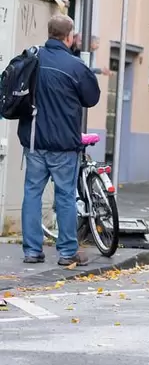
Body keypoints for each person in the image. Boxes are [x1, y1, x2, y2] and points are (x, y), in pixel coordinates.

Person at [19, 14, 100, 267]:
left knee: (32, 193)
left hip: (33, 140)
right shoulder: (75, 66)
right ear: (69, 36)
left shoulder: (32, 58)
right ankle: (67, 253)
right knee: (65, 196)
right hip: (64, 144)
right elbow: (91, 98)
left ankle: (32, 251)